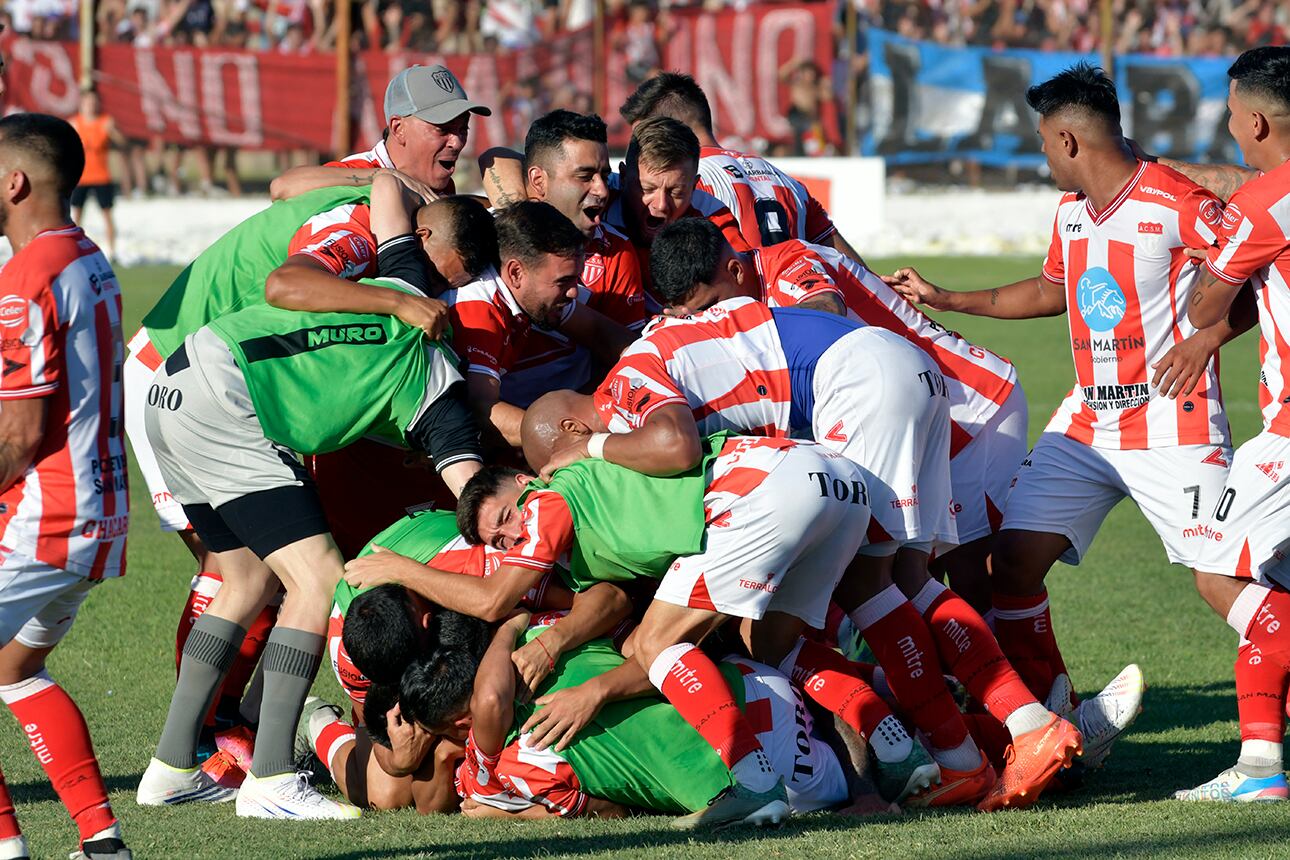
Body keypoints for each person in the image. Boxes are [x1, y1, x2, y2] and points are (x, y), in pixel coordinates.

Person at [885, 64, 1240, 763]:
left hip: (1173, 424)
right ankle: (1066, 716)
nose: (1042, 154)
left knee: (1226, 581)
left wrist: (1207, 338)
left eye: (1045, 141)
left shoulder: (1175, 201)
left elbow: (1253, 265)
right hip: (1086, 424)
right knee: (1007, 565)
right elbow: (1053, 291)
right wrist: (948, 297)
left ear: (1071, 139)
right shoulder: (1071, 211)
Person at [346, 416, 937, 827]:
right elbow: (603, 596)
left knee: (657, 645)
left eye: (502, 519)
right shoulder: (568, 506)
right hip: (826, 476)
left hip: (751, 494)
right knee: (776, 648)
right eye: (495, 536)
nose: (507, 537)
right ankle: (901, 747)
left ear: (525, 483)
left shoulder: (543, 504)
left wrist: (552, 651)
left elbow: (502, 601)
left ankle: (751, 784)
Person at [135, 176, 483, 820]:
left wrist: (400, 187)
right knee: (318, 577)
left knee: (243, 582)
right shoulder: (431, 355)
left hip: (172, 386)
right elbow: (468, 479)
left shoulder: (396, 281)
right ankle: (271, 780)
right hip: (225, 395)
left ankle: (170, 765)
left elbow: (386, 194)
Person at [648, 217, 1022, 614]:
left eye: (710, 308)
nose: (712, 321)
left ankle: (1030, 673)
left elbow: (827, 308)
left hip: (972, 409)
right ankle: (976, 674)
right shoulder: (724, 301)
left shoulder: (786, 260)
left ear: (736, 272)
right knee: (906, 573)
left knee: (961, 572)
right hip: (911, 404)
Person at [0, 113, 132, 860]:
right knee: (14, 666)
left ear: (14, 183)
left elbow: (18, 436)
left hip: (46, 513)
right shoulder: (87, 255)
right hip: (99, 512)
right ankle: (100, 842)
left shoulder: (25, 278)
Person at [444, 612, 882, 820]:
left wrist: (503, 813)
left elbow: (610, 812)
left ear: (461, 725)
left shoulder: (519, 763)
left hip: (770, 776)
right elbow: (613, 604)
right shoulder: (545, 635)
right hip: (754, 682)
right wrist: (512, 628)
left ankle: (895, 747)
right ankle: (888, 695)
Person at [1171, 46, 1290, 803]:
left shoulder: (1266, 202)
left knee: (1218, 566)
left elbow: (1204, 306)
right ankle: (1260, 759)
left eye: (1229, 114)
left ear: (1253, 119)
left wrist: (1210, 326)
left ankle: (1260, 769)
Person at [618, 71, 868, 266]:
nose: (640, 147)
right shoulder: (786, 180)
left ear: (667, 130)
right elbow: (851, 266)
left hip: (743, 322)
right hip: (799, 313)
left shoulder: (687, 185)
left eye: (644, 135)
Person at [441, 200, 633, 451]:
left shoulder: (537, 286)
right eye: (564, 281)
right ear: (516, 273)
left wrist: (651, 363)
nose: (575, 292)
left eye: (576, 278)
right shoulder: (478, 310)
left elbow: (601, 334)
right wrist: (577, 441)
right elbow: (482, 409)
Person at [495, 109, 646, 408]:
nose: (602, 190)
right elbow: (494, 156)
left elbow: (627, 361)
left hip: (567, 421)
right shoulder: (493, 234)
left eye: (604, 175)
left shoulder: (616, 252)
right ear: (538, 180)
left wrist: (570, 420)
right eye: (584, 176)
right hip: (487, 417)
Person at [270, 64, 490, 202]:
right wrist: (387, 177)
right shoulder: (362, 172)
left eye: (463, 129)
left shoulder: (436, 180)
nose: (457, 142)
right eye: (442, 129)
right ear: (398, 128)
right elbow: (282, 186)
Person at [68, 90, 125, 260]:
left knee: (107, 215)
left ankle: (113, 251)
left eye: (94, 102)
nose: (91, 105)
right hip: (81, 177)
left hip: (101, 176)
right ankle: (73, 251)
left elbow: (123, 143)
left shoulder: (105, 122)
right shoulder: (74, 123)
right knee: (75, 216)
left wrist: (113, 132)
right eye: (87, 102)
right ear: (81, 103)